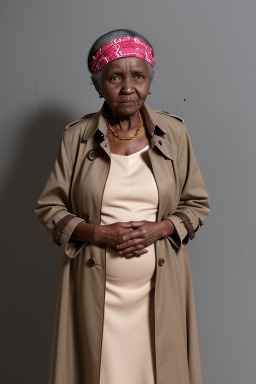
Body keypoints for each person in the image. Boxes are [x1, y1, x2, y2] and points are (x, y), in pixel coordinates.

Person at [35, 29, 210, 384]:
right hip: (94, 294)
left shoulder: (175, 134)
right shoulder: (76, 137)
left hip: (159, 291)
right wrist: (101, 233)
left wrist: (158, 229)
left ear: (149, 82)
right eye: (115, 77)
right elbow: (49, 209)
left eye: (138, 76)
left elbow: (196, 204)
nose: (128, 87)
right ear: (98, 84)